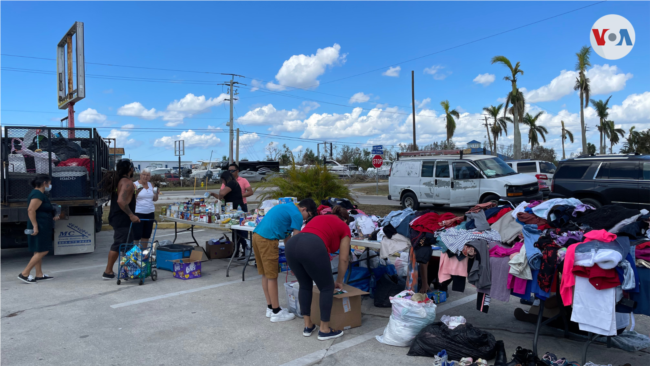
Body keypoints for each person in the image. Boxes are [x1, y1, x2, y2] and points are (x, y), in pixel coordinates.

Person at [285, 205, 351, 340]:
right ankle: (324, 329)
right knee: (327, 287)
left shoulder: (319, 218)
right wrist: (339, 280)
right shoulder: (344, 226)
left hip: (291, 246)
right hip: (312, 246)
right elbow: (344, 259)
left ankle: (308, 326)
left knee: (304, 285)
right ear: (345, 220)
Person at [252, 198, 317, 322]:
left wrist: (291, 259)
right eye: (307, 216)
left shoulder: (288, 207)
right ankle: (277, 312)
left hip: (257, 236)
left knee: (266, 274)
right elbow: (296, 240)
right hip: (268, 239)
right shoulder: (297, 215)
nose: (305, 220)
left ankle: (270, 307)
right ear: (304, 209)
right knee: (272, 276)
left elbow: (289, 240)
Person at [18, 174, 60, 284]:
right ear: (44, 183)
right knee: (44, 250)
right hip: (39, 225)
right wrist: (35, 226)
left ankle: (39, 274)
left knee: (38, 249)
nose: (50, 185)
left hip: (43, 224)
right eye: (49, 183)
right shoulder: (37, 194)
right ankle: (25, 273)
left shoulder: (40, 194)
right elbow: (31, 210)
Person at [101, 159, 140, 280]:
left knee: (127, 244)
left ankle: (129, 270)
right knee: (119, 244)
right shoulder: (127, 182)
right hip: (122, 218)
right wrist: (131, 215)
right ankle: (108, 271)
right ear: (130, 169)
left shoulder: (120, 180)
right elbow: (121, 201)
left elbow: (126, 198)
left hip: (117, 216)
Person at [133, 168, 159, 248]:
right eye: (144, 174)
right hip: (138, 212)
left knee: (146, 234)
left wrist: (156, 194)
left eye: (147, 175)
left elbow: (154, 199)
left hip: (150, 212)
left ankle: (143, 252)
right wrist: (137, 192)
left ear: (150, 177)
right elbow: (131, 199)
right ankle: (135, 253)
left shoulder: (151, 185)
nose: (145, 177)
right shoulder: (135, 184)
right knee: (136, 234)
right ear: (140, 175)